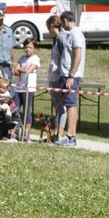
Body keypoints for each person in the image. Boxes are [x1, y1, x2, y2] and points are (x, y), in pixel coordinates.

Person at [52, 11, 86, 147]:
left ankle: (71, 136)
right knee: (69, 104)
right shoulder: (72, 34)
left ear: (66, 20)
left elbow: (78, 55)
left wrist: (71, 75)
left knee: (71, 105)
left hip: (71, 76)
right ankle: (70, 136)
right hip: (67, 75)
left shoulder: (75, 34)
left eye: (62, 22)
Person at [45, 12, 67, 141]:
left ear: (53, 26)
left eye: (49, 28)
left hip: (58, 76)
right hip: (52, 75)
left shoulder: (60, 38)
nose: (48, 31)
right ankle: (57, 132)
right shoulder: (55, 39)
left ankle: (59, 134)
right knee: (57, 106)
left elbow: (64, 57)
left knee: (60, 107)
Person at [13, 38, 40, 140]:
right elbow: (15, 72)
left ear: (34, 48)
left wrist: (20, 69)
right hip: (19, 87)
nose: (27, 49)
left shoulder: (35, 59)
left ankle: (27, 133)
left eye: (30, 47)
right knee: (15, 109)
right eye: (26, 47)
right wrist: (20, 70)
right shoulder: (22, 58)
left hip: (28, 88)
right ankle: (14, 130)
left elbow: (28, 71)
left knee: (27, 111)